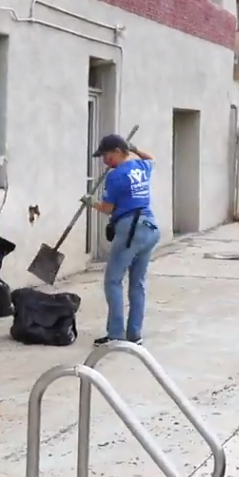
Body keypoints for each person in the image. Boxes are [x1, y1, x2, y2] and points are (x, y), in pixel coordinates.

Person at [83, 134, 160, 346]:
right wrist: (135, 148)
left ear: (118, 151)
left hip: (130, 228)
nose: (104, 161)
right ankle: (134, 335)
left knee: (113, 281)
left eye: (106, 156)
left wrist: (92, 203)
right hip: (150, 228)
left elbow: (108, 209)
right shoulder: (141, 167)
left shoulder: (116, 176)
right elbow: (151, 158)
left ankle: (116, 335)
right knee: (137, 282)